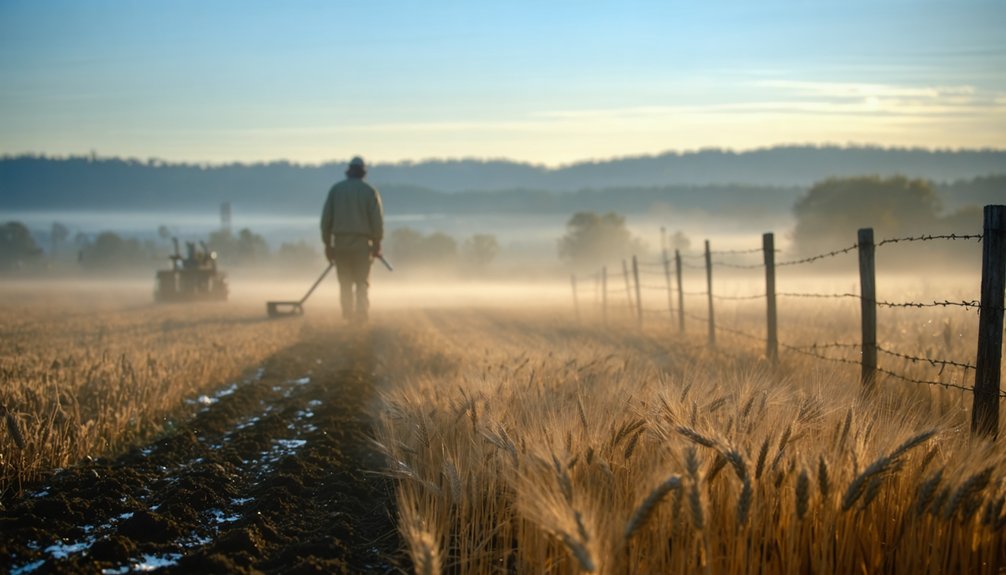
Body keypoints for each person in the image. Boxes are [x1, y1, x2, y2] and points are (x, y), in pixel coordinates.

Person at [320, 156, 384, 323]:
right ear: (363, 172)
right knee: (362, 282)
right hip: (362, 246)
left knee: (345, 282)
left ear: (349, 171)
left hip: (340, 244)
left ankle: (348, 315)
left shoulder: (336, 190)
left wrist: (328, 244)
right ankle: (361, 315)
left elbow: (326, 220)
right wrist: (377, 243)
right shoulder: (369, 192)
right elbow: (377, 221)